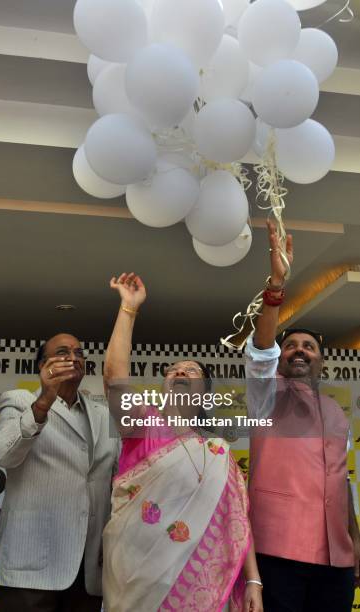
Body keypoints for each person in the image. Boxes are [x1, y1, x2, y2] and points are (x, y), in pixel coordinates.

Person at [102, 273, 263, 612]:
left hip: (197, 587)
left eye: (190, 371)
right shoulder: (144, 425)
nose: (178, 372)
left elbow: (237, 523)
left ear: (205, 394)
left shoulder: (217, 453)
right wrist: (128, 309)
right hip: (137, 581)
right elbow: (114, 379)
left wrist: (253, 580)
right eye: (173, 369)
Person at [245, 220, 359, 611]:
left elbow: (341, 482)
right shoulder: (266, 396)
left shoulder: (336, 413)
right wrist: (276, 289)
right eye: (290, 344)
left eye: (308, 346)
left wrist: (355, 539)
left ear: (321, 360)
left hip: (337, 559)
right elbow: (261, 351)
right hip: (279, 551)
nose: (298, 350)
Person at [0, 332, 119, 612]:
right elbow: (0, 453)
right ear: (41, 366)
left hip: (88, 573)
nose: (73, 357)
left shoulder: (104, 415)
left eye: (79, 353)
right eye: (62, 352)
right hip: (30, 569)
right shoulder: (20, 401)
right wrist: (44, 402)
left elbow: (119, 484)